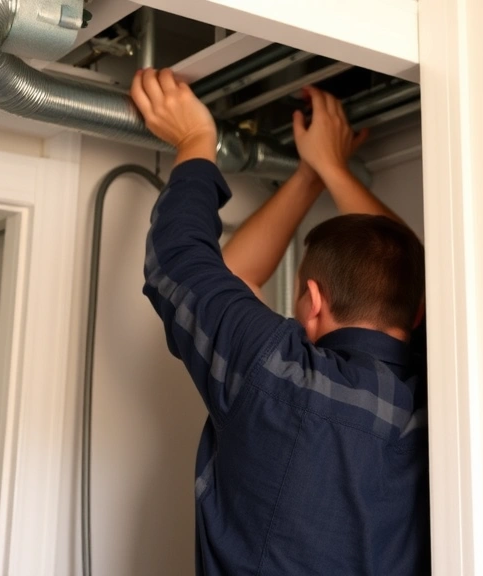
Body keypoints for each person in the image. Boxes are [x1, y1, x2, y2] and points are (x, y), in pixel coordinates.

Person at [130, 67, 430, 576]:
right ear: (420, 310)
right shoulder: (445, 396)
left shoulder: (277, 372)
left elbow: (187, 261)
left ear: (311, 302)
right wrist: (324, 170)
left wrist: (195, 137)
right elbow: (415, 269)